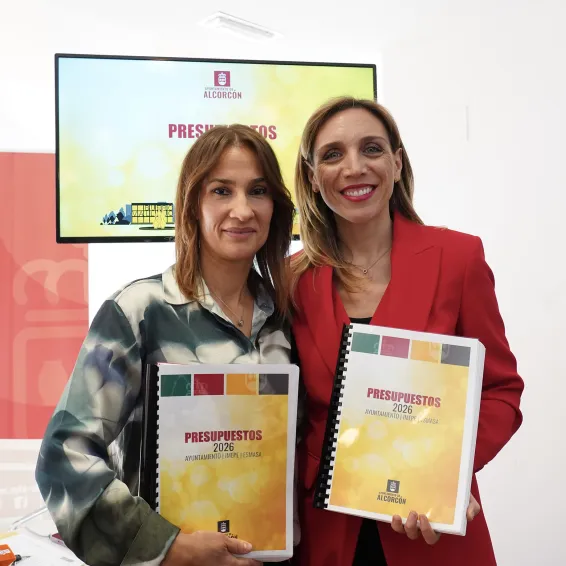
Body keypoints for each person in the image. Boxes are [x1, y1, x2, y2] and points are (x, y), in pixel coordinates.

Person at [35, 125, 296, 566]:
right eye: (221, 191)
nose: (242, 209)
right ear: (192, 205)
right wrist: (166, 547)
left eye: (258, 191)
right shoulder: (139, 310)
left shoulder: (285, 320)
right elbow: (63, 456)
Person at [290, 97, 524, 566]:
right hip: (325, 533)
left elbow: (501, 390)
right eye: (333, 154)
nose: (354, 167)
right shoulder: (292, 281)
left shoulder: (457, 258)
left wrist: (447, 472)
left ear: (396, 163)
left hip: (429, 529)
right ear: (313, 177)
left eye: (371, 148)